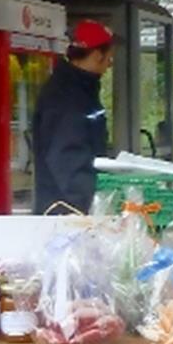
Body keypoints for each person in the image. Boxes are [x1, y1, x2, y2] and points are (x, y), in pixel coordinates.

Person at [31, 19, 115, 214]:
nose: (110, 64)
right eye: (109, 58)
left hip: (68, 209)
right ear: (96, 55)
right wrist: (93, 206)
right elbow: (67, 157)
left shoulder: (79, 90)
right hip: (66, 215)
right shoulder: (67, 98)